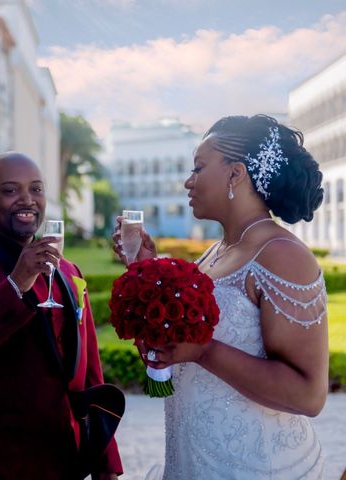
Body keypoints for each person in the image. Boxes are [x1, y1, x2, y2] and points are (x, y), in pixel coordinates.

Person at [114, 114, 328, 478]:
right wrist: (146, 270)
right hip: (192, 458)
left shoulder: (281, 255)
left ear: (236, 173)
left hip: (256, 466)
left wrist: (204, 352)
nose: (188, 180)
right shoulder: (214, 253)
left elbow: (309, 396)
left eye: (198, 167)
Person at [0, 152, 123, 479]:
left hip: (61, 462)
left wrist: (106, 464)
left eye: (36, 189)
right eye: (10, 190)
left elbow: (89, 372)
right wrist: (16, 284)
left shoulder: (68, 270)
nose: (27, 200)